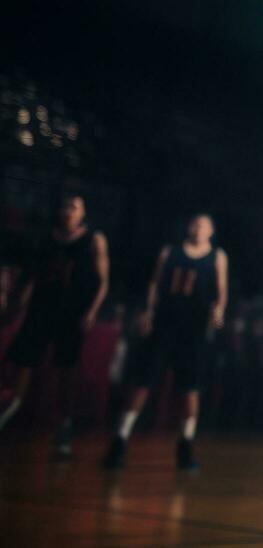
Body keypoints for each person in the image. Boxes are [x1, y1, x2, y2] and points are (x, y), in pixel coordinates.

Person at [104, 213, 227, 471]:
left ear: (211, 231)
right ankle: (120, 440)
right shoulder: (169, 253)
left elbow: (220, 291)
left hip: (193, 329)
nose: (197, 228)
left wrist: (218, 311)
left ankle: (185, 445)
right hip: (164, 324)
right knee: (142, 382)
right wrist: (148, 311)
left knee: (190, 388)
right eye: (194, 223)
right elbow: (154, 284)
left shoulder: (217, 257)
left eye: (203, 225)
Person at [0, 195, 109, 459]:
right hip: (41, 310)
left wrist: (92, 311)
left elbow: (102, 280)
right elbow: (31, 276)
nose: (68, 211)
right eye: (65, 206)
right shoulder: (47, 238)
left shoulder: (93, 239)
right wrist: (16, 303)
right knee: (22, 366)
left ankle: (64, 431)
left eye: (74, 207)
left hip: (71, 314)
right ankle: (7, 416)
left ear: (83, 213)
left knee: (65, 373)